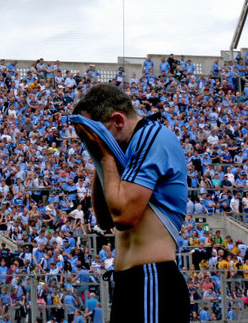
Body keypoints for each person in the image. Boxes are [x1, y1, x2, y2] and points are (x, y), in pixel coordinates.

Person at [71, 84, 190, 322]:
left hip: (151, 279)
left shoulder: (151, 137)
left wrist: (105, 156)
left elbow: (124, 217)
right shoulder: (128, 153)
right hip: (131, 281)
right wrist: (100, 157)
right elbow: (105, 219)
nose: (92, 143)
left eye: (95, 135)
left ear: (117, 120)